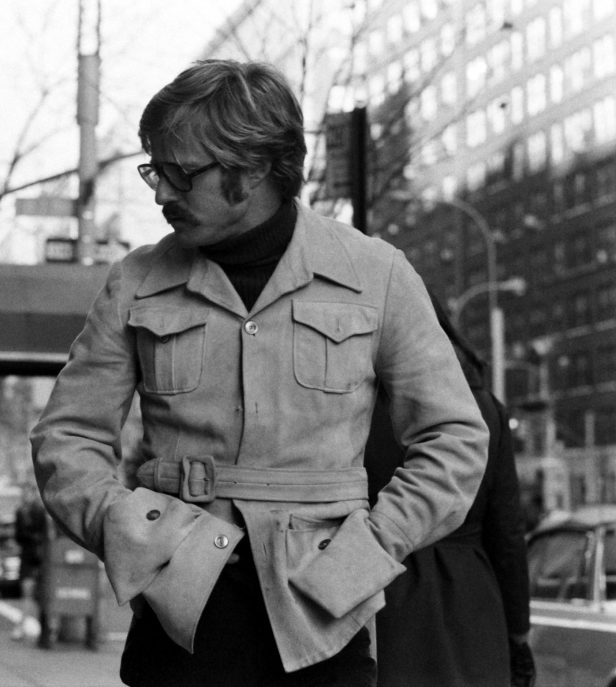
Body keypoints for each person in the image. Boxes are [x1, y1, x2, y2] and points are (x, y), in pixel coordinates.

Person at [30, 59, 489, 686]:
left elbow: (455, 440)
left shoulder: (376, 275)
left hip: (323, 626)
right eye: (153, 171)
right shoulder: (135, 280)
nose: (161, 193)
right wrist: (132, 535)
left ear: (250, 172)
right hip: (178, 629)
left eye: (179, 174)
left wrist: (369, 550)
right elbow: (67, 438)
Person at [365, 296, 536, 687]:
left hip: (383, 597)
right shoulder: (484, 408)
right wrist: (517, 631)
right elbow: (507, 534)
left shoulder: (355, 408)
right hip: (473, 605)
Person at [11, 482, 48, 644]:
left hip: (38, 557)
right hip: (29, 556)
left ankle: (38, 627)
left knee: (38, 594)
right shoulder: (21, 512)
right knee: (28, 592)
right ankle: (24, 626)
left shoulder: (39, 512)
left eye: (28, 493)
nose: (26, 496)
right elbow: (19, 536)